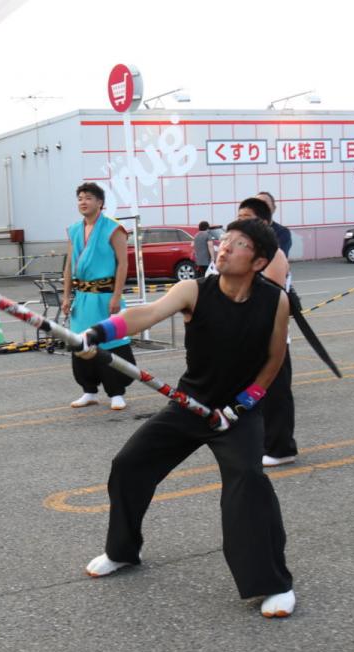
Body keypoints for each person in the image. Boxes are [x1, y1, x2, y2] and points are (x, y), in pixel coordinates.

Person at [76, 218, 296, 618]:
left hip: (237, 413)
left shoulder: (275, 301)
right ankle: (123, 550)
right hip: (189, 403)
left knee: (248, 482)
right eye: (224, 240)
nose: (224, 247)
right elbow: (147, 313)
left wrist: (241, 406)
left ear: (259, 261)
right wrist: (98, 332)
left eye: (239, 243)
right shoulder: (194, 289)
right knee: (129, 465)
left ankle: (274, 583)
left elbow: (274, 360)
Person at [213, 197, 296, 467]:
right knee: (250, 392)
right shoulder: (234, 252)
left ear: (263, 222)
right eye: (238, 216)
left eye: (247, 217)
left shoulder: (273, 255)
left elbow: (264, 296)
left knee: (274, 394)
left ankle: (281, 448)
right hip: (242, 337)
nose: (240, 222)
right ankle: (260, 443)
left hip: (268, 338)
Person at [60, 181, 134, 411]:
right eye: (80, 198)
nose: (83, 202)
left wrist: (116, 296)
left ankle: (117, 393)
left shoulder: (113, 228)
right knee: (80, 343)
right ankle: (89, 391)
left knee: (111, 342)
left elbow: (123, 264)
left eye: (88, 198)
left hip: (105, 296)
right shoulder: (73, 229)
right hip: (82, 298)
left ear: (100, 203)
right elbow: (69, 265)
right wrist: (66, 296)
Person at [257, 191, 292, 258]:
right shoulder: (245, 230)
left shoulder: (282, 232)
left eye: (264, 203)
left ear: (274, 208)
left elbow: (277, 258)